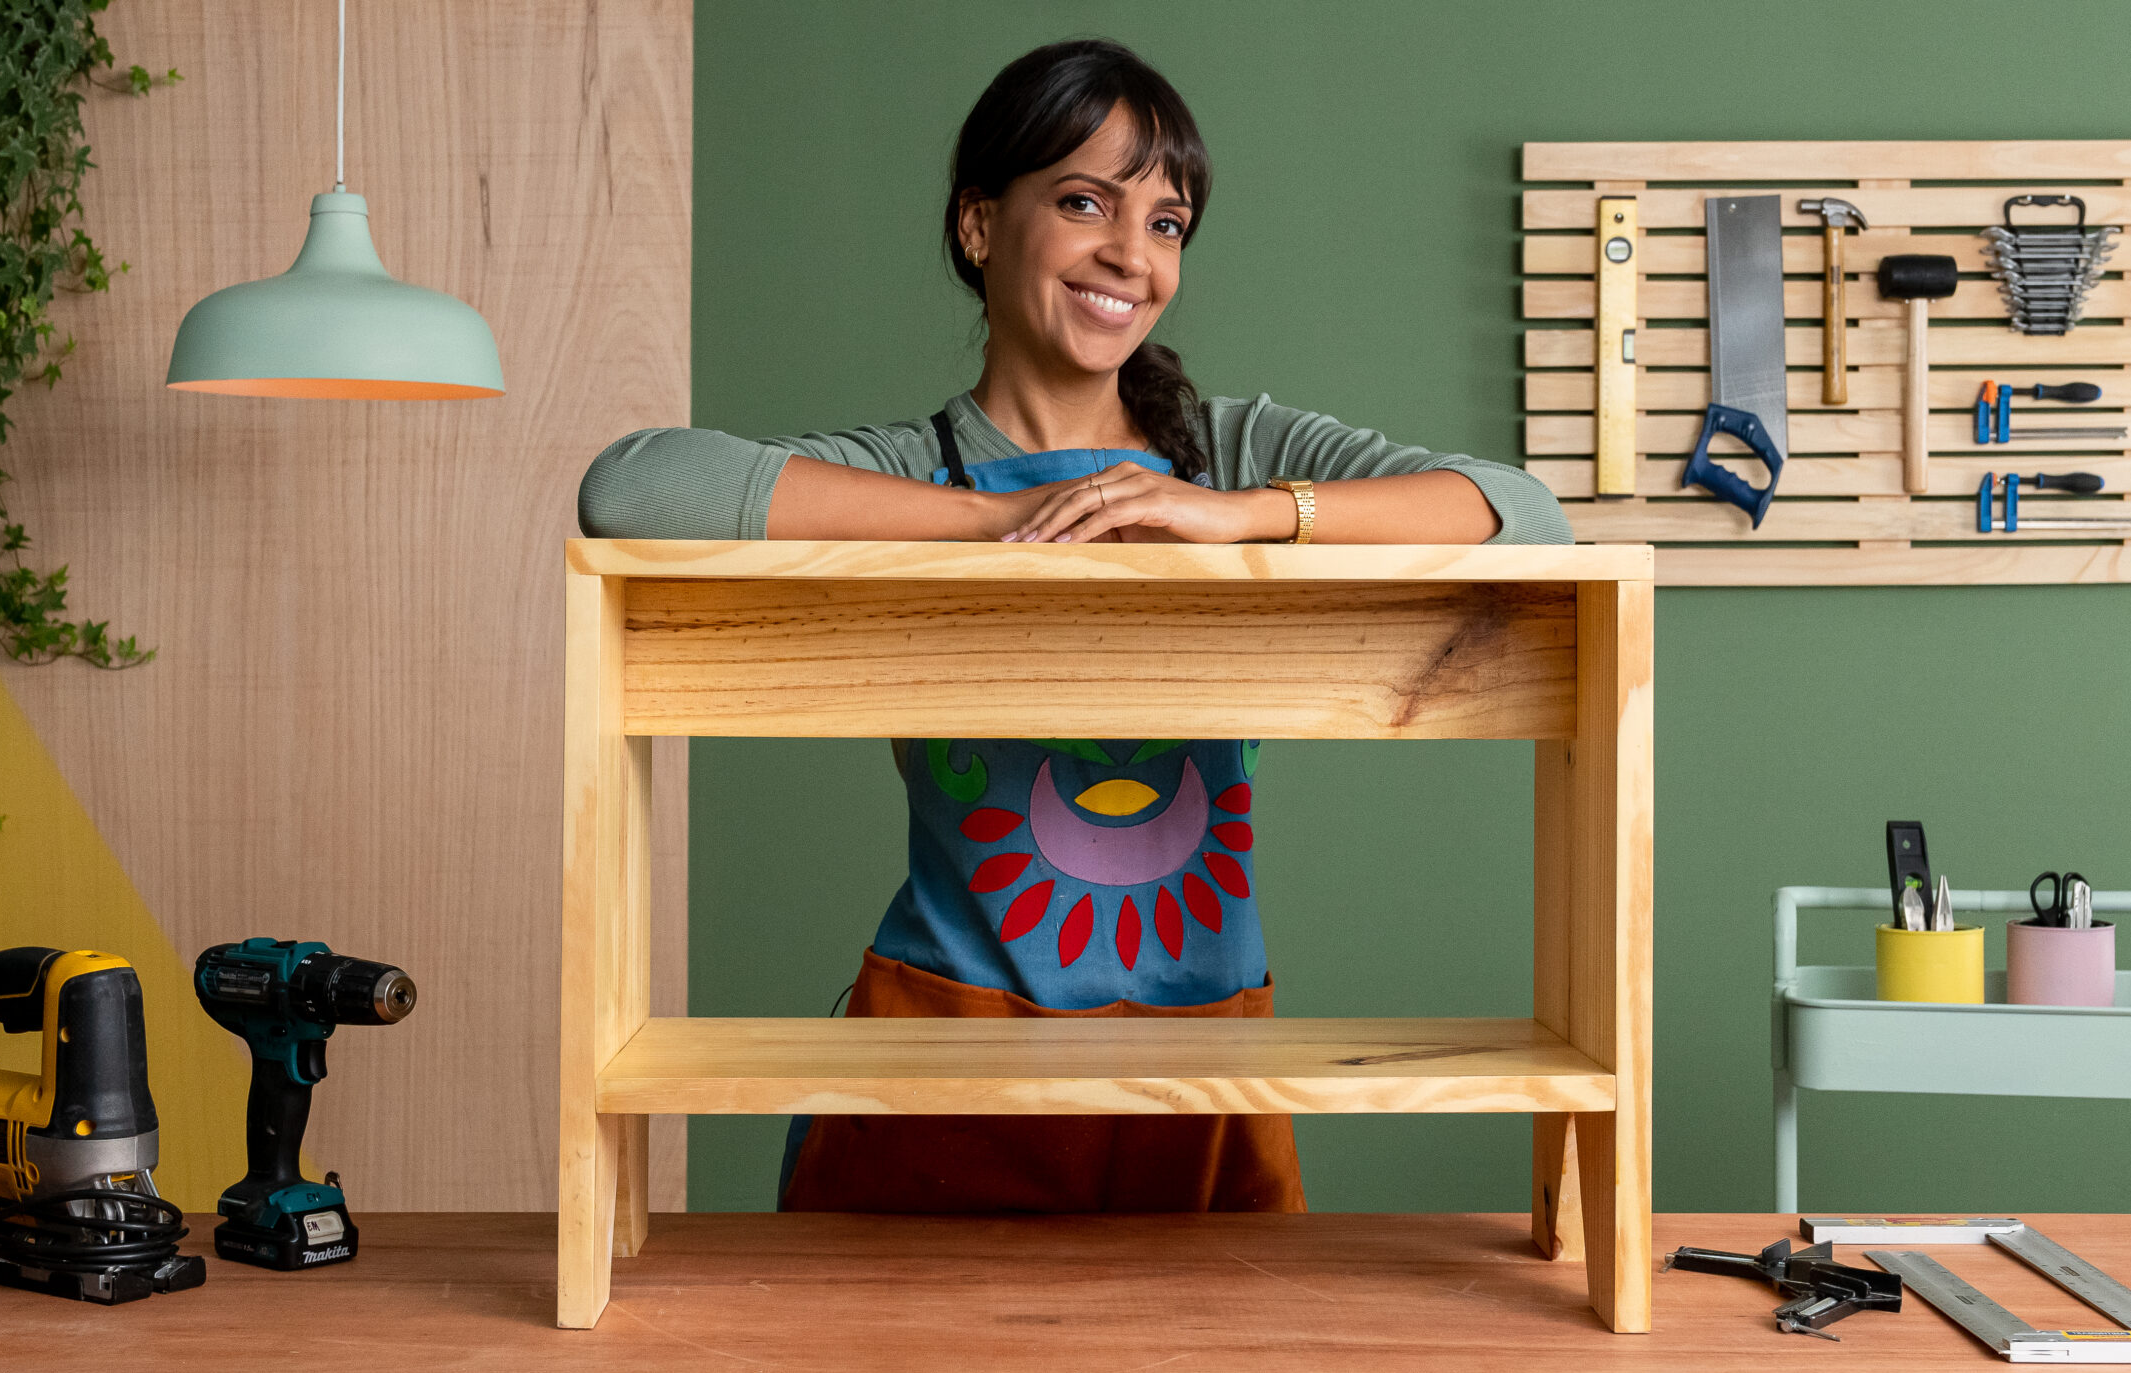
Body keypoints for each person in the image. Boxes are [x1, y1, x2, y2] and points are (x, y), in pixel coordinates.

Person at [579, 38, 1571, 1215]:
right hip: (943, 1044)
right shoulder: (909, 473)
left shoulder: (1234, 450)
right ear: (978, 226)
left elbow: (1528, 515)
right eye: (1084, 202)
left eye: (1166, 223)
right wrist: (1006, 516)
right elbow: (633, 486)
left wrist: (1237, 514)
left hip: (1213, 1049)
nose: (1129, 255)